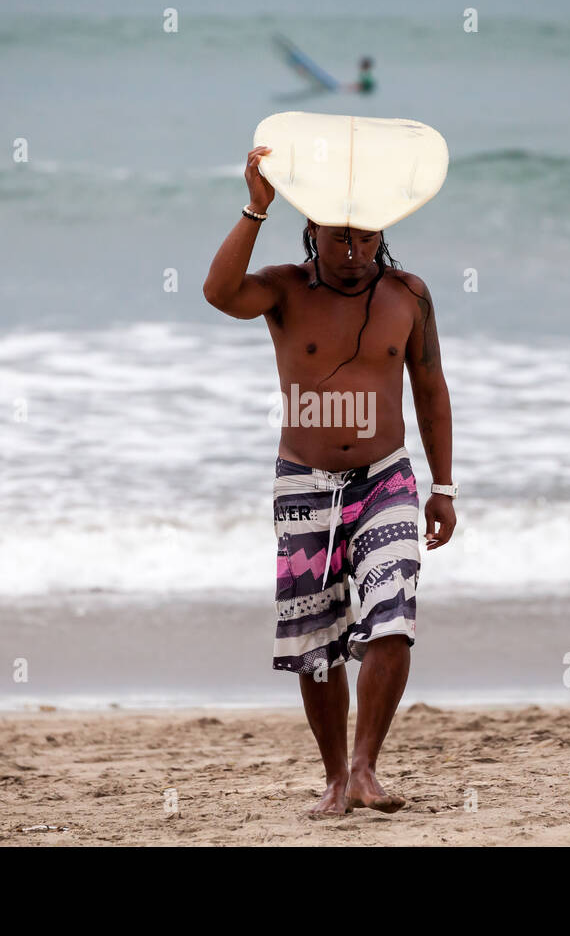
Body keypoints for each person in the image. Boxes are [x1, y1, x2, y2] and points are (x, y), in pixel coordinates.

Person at [203, 145, 456, 816]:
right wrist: (256, 204)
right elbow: (219, 293)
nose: (354, 249)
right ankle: (335, 777)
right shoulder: (284, 289)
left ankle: (368, 767)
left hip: (386, 477)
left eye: (367, 236)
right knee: (316, 644)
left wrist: (444, 487)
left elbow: (430, 389)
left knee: (392, 617)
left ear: (383, 236)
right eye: (341, 235)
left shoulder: (409, 295)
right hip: (304, 483)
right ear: (312, 232)